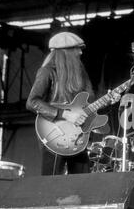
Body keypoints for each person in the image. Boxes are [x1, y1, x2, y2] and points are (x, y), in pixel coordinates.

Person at [27, 31, 116, 175]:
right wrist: (65, 115)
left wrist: (108, 100)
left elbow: (90, 105)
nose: (80, 52)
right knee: (51, 182)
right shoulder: (47, 72)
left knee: (82, 184)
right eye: (76, 48)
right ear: (65, 52)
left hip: (77, 136)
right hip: (54, 132)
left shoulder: (81, 75)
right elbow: (32, 102)